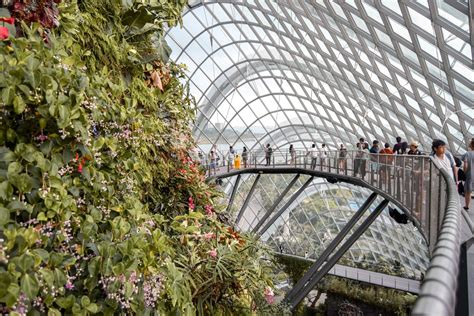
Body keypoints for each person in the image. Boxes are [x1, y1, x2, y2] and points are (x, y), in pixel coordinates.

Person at [462, 139, 474, 211]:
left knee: (468, 192)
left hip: (470, 176)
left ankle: (467, 206)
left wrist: (464, 172)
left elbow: (465, 165)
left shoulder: (467, 154)